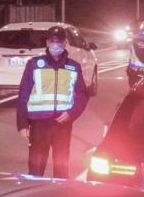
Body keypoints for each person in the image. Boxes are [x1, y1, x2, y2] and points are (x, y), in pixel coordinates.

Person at [16, 26, 89, 179]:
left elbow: (82, 95)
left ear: (65, 43)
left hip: (62, 124)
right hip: (38, 124)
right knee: (36, 168)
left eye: (59, 41)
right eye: (52, 41)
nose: (56, 45)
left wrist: (72, 113)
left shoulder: (73, 67)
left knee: (61, 168)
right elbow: (23, 95)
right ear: (47, 43)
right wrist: (23, 125)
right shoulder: (34, 64)